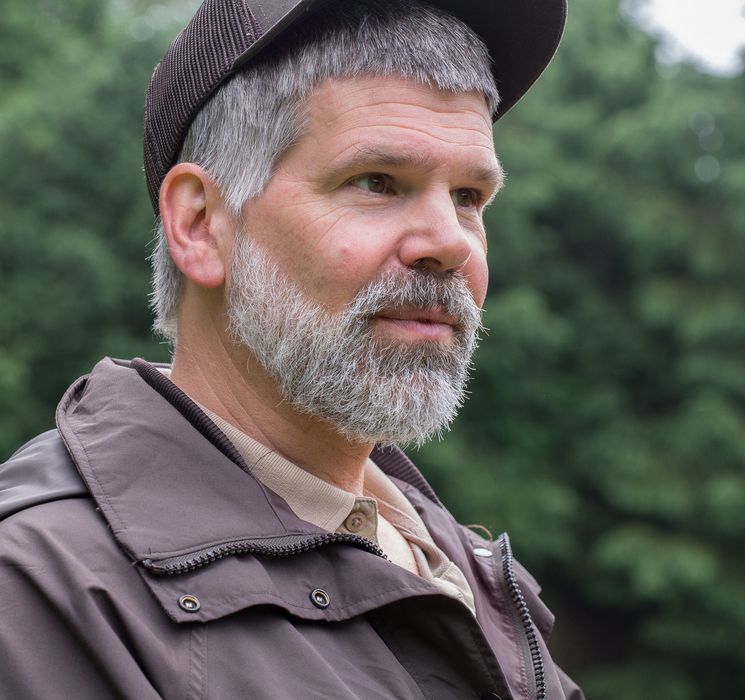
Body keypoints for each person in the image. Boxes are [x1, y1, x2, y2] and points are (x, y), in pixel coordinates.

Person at [0, 0, 584, 698]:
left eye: (468, 196)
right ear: (200, 224)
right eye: (377, 182)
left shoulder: (458, 565)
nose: (451, 243)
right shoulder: (39, 588)